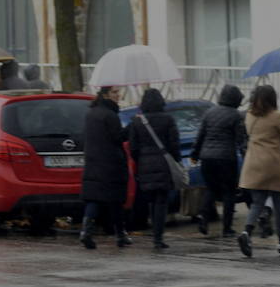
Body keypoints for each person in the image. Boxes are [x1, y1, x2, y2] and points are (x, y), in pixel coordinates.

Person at [236, 85, 280, 257]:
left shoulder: (249, 115)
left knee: (257, 202)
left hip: (253, 163)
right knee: (278, 203)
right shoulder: (276, 116)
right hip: (272, 164)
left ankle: (246, 233)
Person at [127, 88, 181, 250]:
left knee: (151, 200)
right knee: (161, 201)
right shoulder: (168, 120)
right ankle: (158, 238)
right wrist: (175, 161)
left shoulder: (137, 121)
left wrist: (140, 161)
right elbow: (174, 144)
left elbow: (133, 148)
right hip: (164, 164)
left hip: (145, 165)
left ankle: (155, 235)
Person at [191, 84, 247, 237]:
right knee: (229, 192)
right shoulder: (235, 115)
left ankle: (203, 217)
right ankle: (227, 228)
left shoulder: (209, 113)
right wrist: (245, 156)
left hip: (207, 158)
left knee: (211, 189)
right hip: (226, 159)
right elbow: (240, 140)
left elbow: (200, 136)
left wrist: (194, 155)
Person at [80, 86, 132, 249]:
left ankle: (86, 232)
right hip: (111, 163)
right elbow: (118, 138)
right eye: (114, 92)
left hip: (94, 162)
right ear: (105, 95)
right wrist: (131, 126)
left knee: (94, 198)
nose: (118, 95)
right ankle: (120, 234)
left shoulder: (91, 113)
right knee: (115, 200)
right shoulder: (110, 115)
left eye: (118, 92)